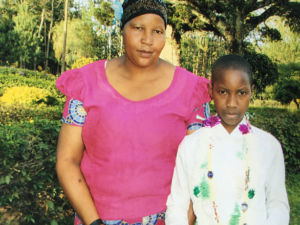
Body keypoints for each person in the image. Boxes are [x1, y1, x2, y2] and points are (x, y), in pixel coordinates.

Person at [55, 0, 211, 224]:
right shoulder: (85, 83)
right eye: (138, 28)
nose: (147, 40)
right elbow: (67, 160)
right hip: (96, 218)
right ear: (122, 29)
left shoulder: (192, 91)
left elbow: (200, 169)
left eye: (157, 31)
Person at [165, 54, 290, 225]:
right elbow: (177, 206)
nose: (232, 103)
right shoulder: (191, 145)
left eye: (241, 93)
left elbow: (278, 205)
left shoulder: (268, 146)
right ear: (211, 91)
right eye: (223, 92)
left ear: (251, 92)